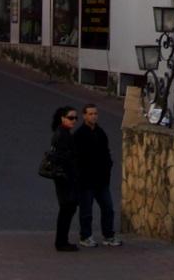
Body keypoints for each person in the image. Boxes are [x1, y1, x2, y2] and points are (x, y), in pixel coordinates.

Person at [74, 104, 122, 248]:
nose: (93, 116)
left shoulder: (100, 133)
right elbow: (77, 158)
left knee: (108, 209)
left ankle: (108, 236)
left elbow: (106, 152)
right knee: (86, 211)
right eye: (90, 114)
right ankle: (85, 236)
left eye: (95, 114)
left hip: (102, 180)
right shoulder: (79, 135)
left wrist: (108, 166)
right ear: (84, 116)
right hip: (86, 180)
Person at [49, 106, 80, 252]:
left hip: (65, 177)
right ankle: (61, 242)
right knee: (67, 209)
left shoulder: (63, 132)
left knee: (67, 209)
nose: (74, 120)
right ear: (63, 118)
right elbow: (63, 157)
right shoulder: (62, 134)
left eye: (75, 118)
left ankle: (62, 240)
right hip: (65, 178)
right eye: (71, 118)